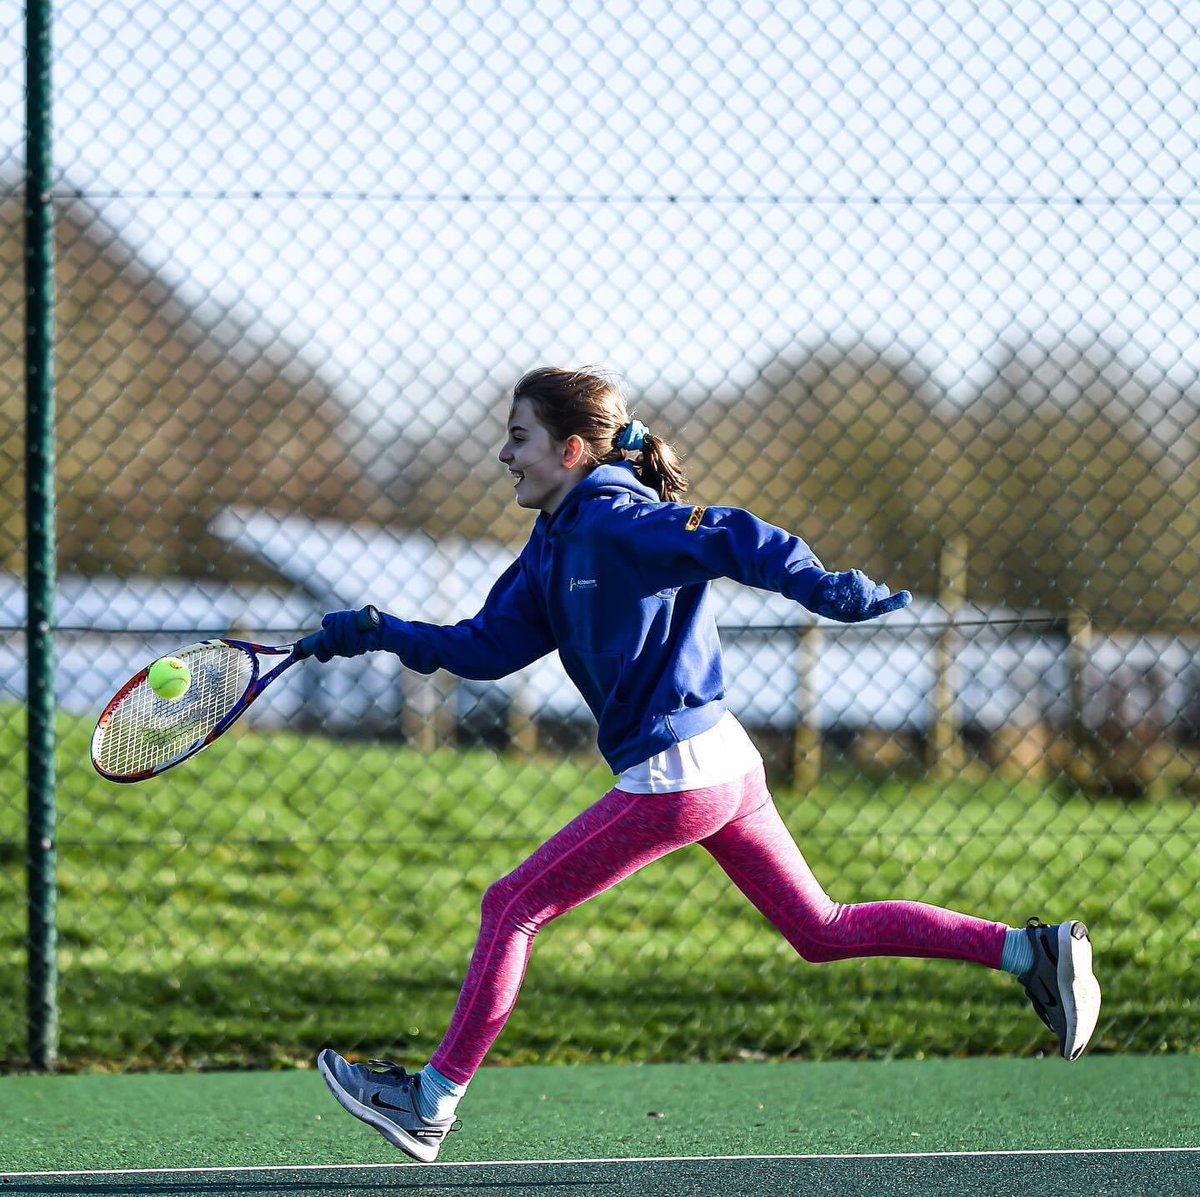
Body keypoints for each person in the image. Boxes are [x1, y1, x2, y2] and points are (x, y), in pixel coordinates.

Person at [309, 366, 1101, 1163]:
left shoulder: (615, 520)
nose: (503, 454)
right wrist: (375, 629)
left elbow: (730, 533)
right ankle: (1030, 951)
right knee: (821, 930)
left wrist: (823, 587)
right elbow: (483, 648)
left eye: (519, 437)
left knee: (510, 905)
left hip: (681, 770)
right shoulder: (553, 542)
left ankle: (431, 1103)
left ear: (573, 448)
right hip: (719, 763)